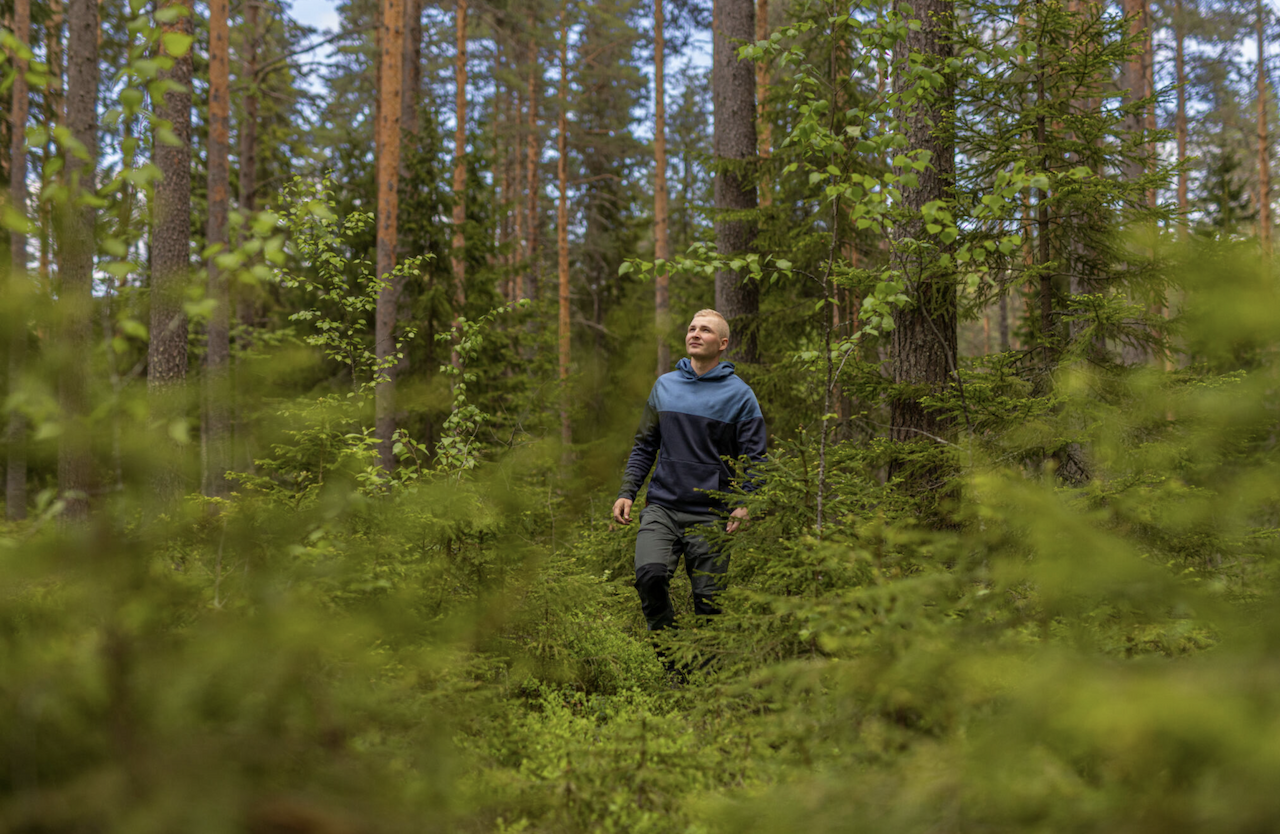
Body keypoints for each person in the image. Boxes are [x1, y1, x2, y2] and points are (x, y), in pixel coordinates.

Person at [612, 309, 767, 635]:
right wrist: (627, 492)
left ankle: (705, 666)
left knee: (709, 605)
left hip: (712, 515)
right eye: (692, 328)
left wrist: (747, 503)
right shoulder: (664, 386)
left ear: (722, 343)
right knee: (650, 576)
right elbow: (644, 446)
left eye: (705, 330)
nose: (695, 334)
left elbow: (756, 458)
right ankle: (670, 655)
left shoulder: (740, 395)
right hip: (662, 507)